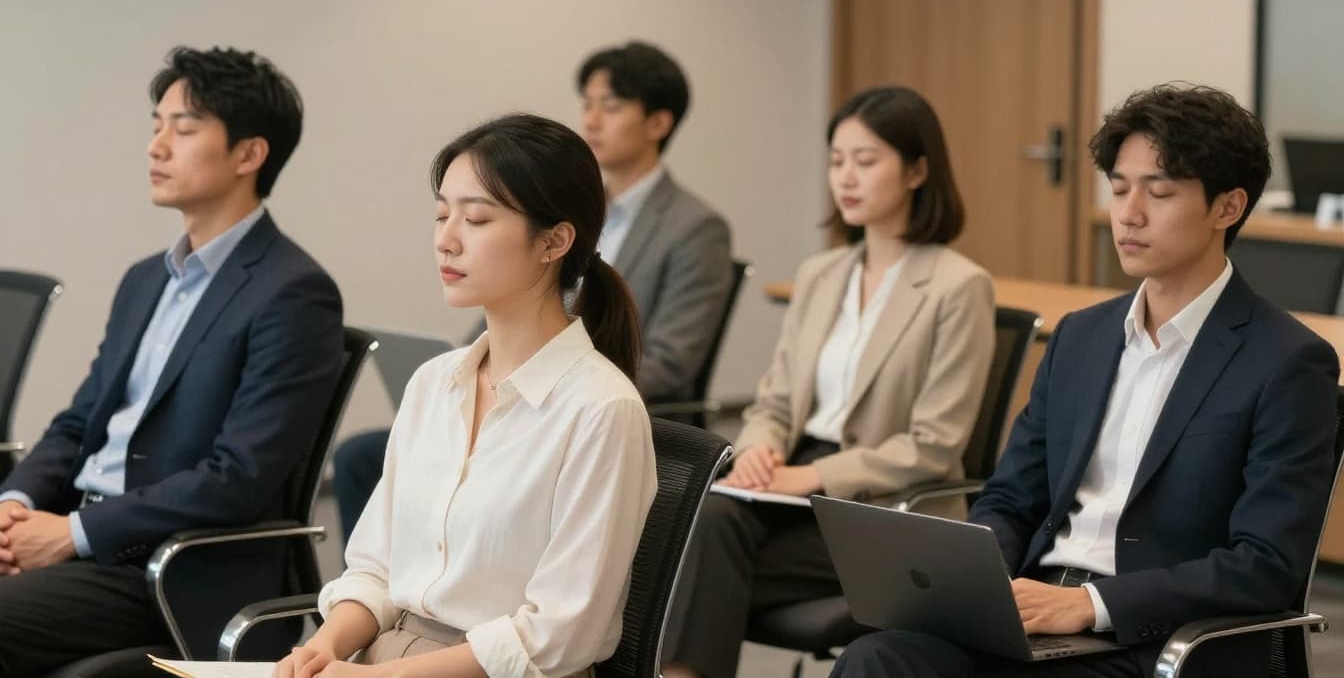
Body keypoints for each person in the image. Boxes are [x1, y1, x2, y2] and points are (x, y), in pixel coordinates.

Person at [832, 84, 1340, 678]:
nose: (1129, 213)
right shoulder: (1081, 337)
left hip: (1151, 639)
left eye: (1159, 192)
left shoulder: (1287, 362)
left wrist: (1090, 605)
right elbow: (1009, 499)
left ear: (1227, 208)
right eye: (1120, 189)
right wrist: (978, 586)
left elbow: (1266, 564)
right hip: (1035, 607)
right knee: (877, 658)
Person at [274, 114, 657, 678]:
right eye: (441, 215)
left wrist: (376, 677)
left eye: (475, 219)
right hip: (386, 657)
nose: (446, 239)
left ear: (554, 241)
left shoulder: (602, 408)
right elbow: (376, 569)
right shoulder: (434, 382)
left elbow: (558, 635)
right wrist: (324, 646)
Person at [0, 46, 344, 673]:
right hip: (79, 538)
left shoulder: (293, 293)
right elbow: (79, 424)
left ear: (249, 154)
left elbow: (238, 478)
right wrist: (14, 504)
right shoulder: (145, 280)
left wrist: (72, 535)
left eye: (183, 129)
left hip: (167, 570)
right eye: (156, 125)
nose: (156, 147)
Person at [332, 40, 732, 544]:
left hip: (582, 401)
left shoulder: (693, 228)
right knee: (366, 461)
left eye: (610, 106)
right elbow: (500, 316)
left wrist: (551, 383)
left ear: (658, 122)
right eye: (587, 103)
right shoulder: (557, 199)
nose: (592, 119)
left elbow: (674, 359)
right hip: (515, 388)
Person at [661, 86, 996, 678]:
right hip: (790, 487)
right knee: (704, 520)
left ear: (917, 171)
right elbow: (775, 402)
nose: (846, 177)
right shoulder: (820, 274)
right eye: (837, 160)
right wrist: (761, 449)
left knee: (674, 570)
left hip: (883, 508)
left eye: (865, 161)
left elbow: (934, 445)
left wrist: (811, 477)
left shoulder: (958, 286)